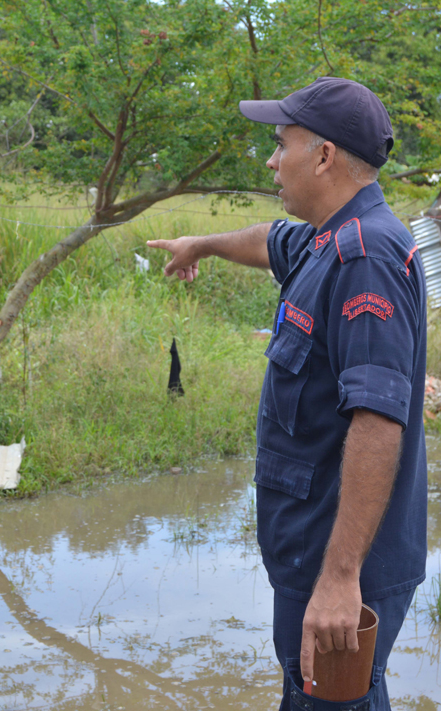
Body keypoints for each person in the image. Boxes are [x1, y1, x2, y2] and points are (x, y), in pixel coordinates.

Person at [148, 77, 427, 710]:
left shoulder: (366, 257)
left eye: (280, 145)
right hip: (313, 553)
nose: (271, 162)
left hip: (343, 572)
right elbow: (272, 240)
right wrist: (205, 245)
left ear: (324, 156)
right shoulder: (328, 237)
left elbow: (378, 422)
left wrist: (339, 578)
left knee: (333, 702)